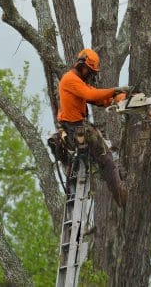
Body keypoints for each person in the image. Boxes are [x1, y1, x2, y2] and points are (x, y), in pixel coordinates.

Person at [57, 48, 129, 207]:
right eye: (89, 71)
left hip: (74, 128)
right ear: (81, 65)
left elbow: (97, 100)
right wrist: (114, 90)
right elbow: (92, 95)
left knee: (108, 156)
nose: (90, 74)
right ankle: (122, 197)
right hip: (75, 129)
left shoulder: (78, 83)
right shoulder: (70, 79)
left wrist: (117, 99)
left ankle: (121, 187)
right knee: (107, 159)